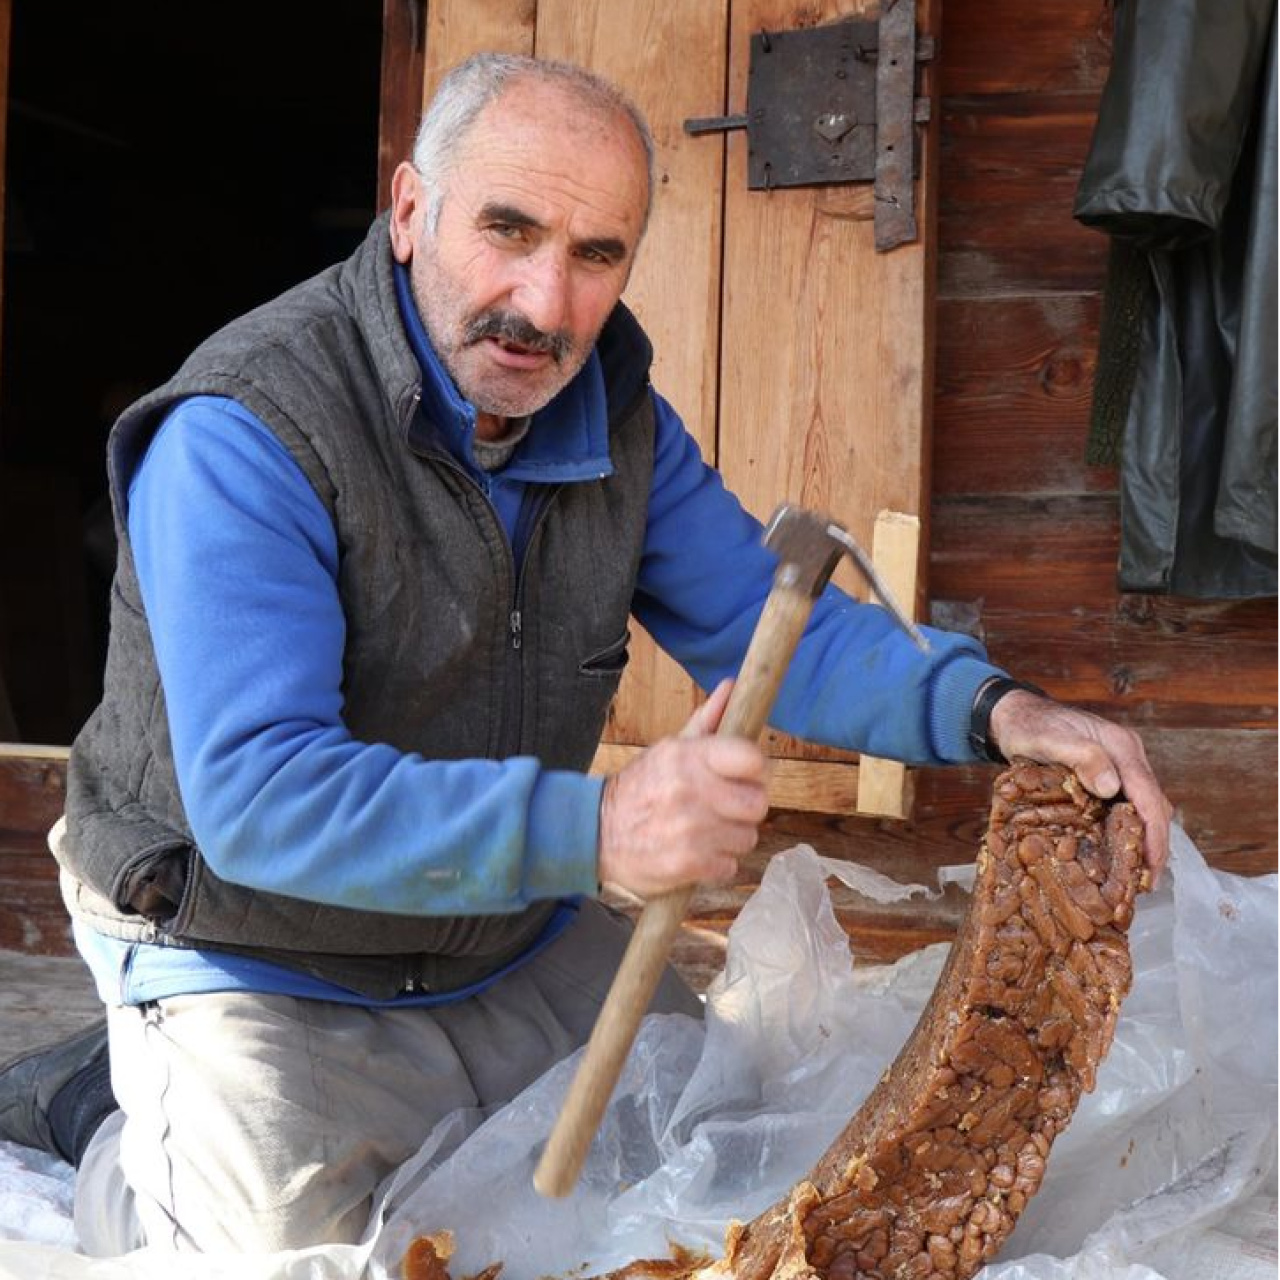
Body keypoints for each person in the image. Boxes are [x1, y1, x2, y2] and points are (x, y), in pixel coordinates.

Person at [0, 53, 1172, 1257]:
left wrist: (994, 706)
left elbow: (769, 619)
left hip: (498, 930)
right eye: (506, 230)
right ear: (408, 211)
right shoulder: (246, 432)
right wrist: (600, 830)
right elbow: (262, 800)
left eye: (595, 254)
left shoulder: (608, 416)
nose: (544, 305)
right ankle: (109, 1115)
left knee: (716, 1166)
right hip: (258, 946)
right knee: (301, 1261)